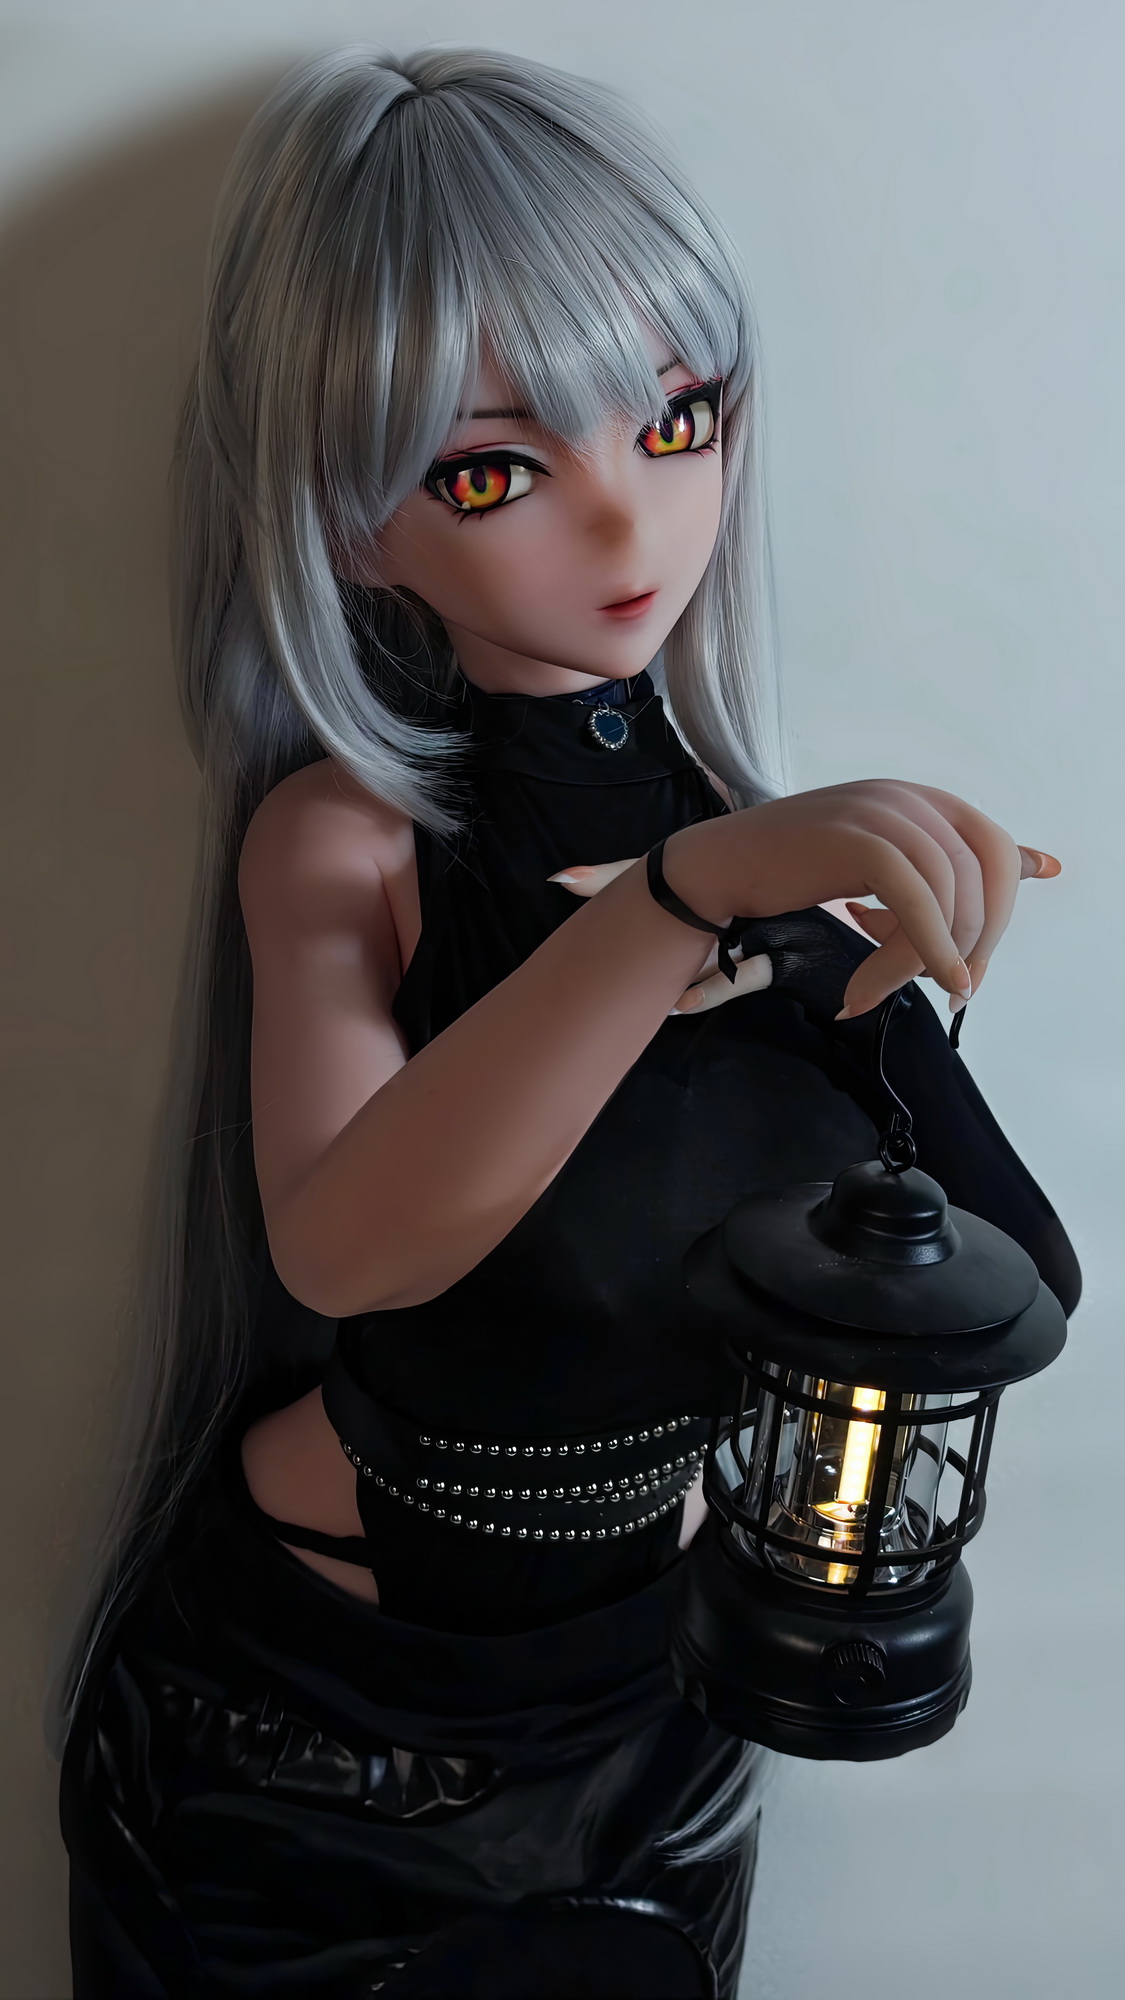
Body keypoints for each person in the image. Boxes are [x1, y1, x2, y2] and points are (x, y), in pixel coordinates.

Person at [57, 44, 1080, 2000]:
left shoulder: (752, 851)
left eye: (678, 420)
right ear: (349, 523)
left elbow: (1018, 1275)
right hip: (324, 1731)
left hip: (652, 1697)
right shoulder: (354, 841)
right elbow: (346, 1243)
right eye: (492, 470)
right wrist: (682, 905)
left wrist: (855, 990)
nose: (628, 527)